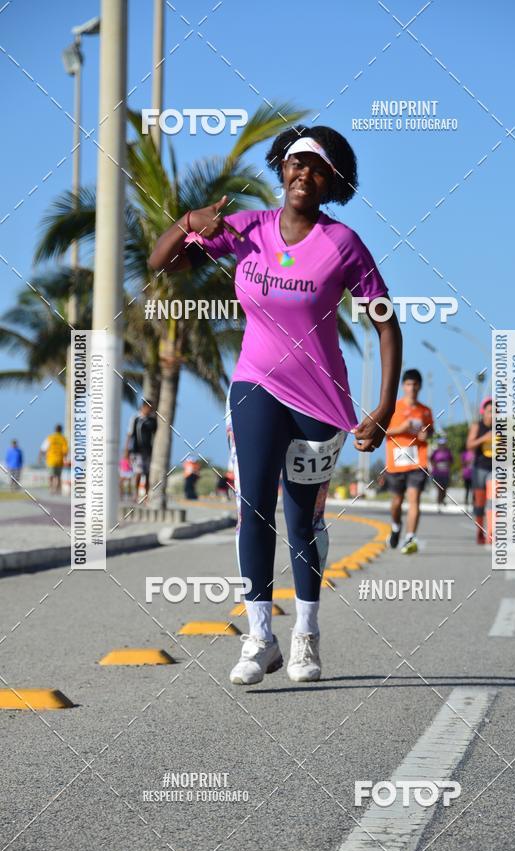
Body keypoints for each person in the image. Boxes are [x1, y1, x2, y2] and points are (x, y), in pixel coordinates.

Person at [149, 125, 402, 685]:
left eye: (315, 166)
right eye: (294, 163)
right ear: (281, 170)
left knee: (302, 520)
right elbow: (161, 263)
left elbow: (386, 325)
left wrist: (383, 408)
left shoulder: (344, 245)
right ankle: (259, 638)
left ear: (330, 180)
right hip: (255, 385)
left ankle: (306, 636)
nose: (302, 173)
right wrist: (190, 222)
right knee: (253, 507)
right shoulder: (246, 230)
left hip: (320, 400)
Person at [384, 369, 433, 553]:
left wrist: (425, 434)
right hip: (396, 462)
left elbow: (430, 432)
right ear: (403, 386)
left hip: (417, 462)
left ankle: (410, 538)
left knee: (415, 500)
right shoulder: (392, 408)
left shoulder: (425, 411)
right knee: (397, 501)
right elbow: (382, 432)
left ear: (419, 386)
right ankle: (396, 527)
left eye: (415, 384)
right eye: (408, 384)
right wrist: (402, 428)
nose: (412, 388)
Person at [466, 397, 493, 544]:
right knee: (480, 504)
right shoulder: (477, 426)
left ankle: (492, 533)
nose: (492, 415)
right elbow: (469, 445)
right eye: (490, 412)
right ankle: (479, 532)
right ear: (483, 412)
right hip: (479, 468)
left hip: (495, 469)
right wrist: (484, 438)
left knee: (494, 500)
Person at [126, 400, 157, 503]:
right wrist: (127, 450)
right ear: (143, 407)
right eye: (148, 407)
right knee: (138, 472)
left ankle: (146, 496)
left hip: (148, 451)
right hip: (137, 450)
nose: (150, 410)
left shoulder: (152, 421)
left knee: (147, 474)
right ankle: (135, 494)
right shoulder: (135, 419)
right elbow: (130, 434)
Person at [40, 425, 68, 495]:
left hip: (50, 460)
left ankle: (51, 488)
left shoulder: (50, 438)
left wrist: (40, 456)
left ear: (55, 430)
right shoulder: (63, 438)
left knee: (51, 475)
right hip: (59, 460)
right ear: (61, 430)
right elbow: (65, 451)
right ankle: (56, 489)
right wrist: (65, 458)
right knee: (58, 476)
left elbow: (43, 448)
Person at [430, 436, 453, 511]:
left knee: (444, 489)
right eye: (441, 444)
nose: (442, 445)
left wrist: (447, 464)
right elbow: (431, 460)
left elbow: (451, 461)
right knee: (439, 489)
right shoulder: (435, 452)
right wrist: (435, 465)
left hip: (445, 473)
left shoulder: (448, 451)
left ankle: (442, 500)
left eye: (443, 444)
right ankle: (439, 503)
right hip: (437, 474)